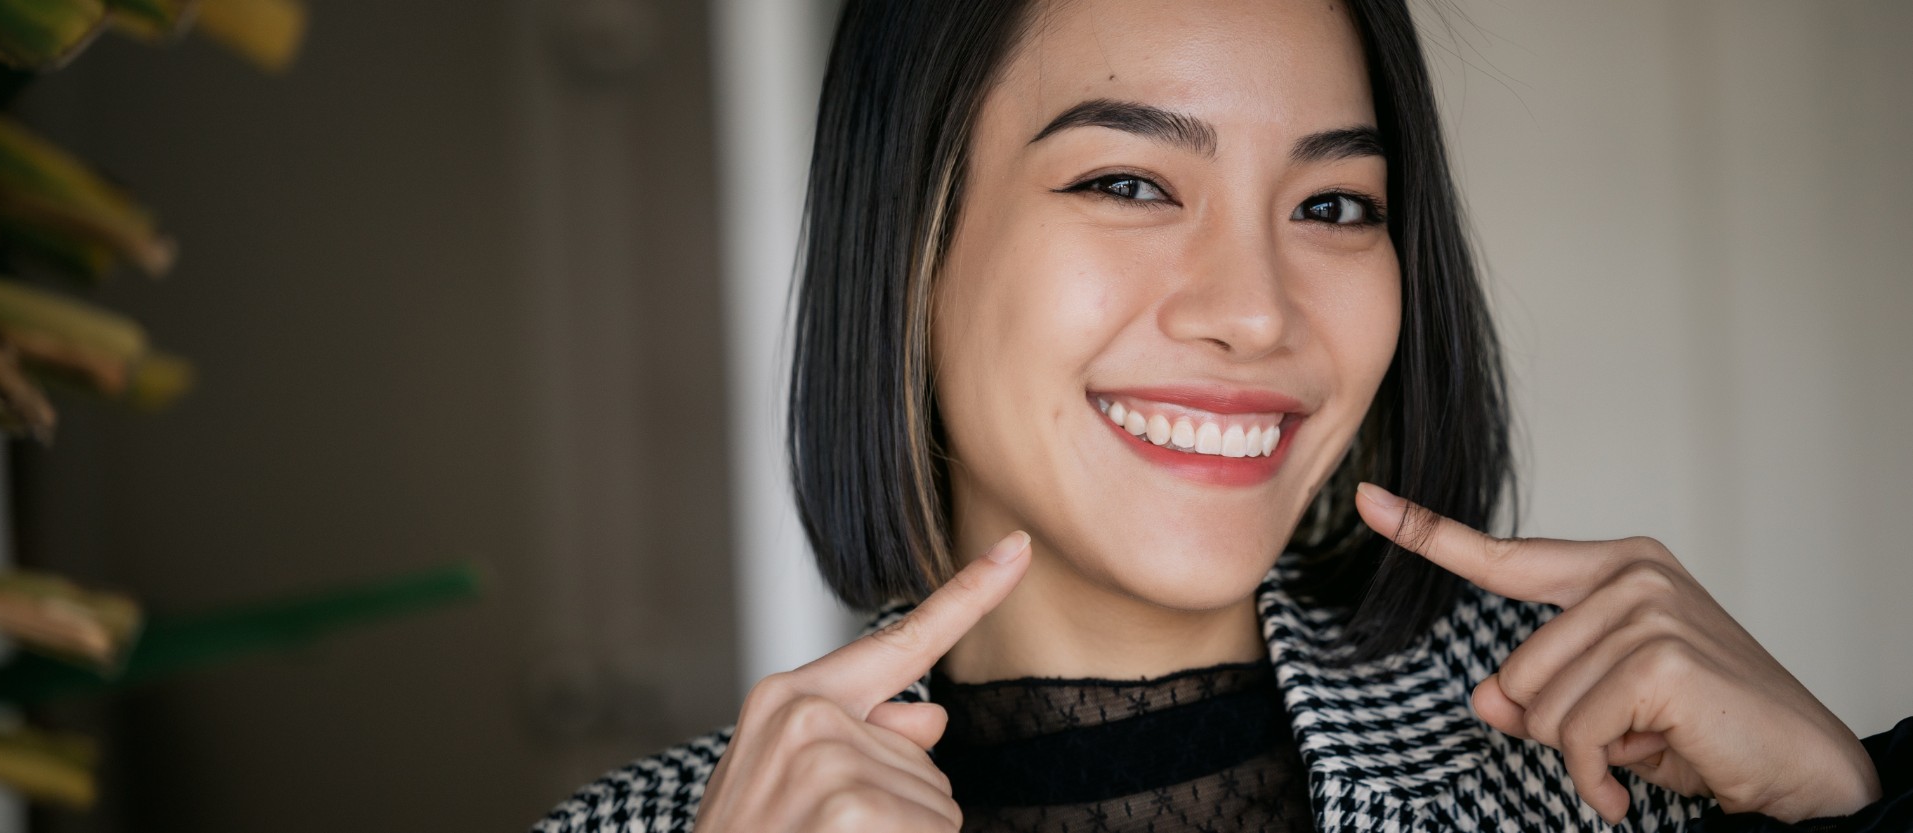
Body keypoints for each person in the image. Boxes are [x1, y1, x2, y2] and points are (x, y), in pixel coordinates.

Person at [534, 0, 1911, 830]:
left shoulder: (1620, 759)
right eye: (1128, 183)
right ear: (907, 241)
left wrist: (1854, 807)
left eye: (1334, 205)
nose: (1255, 312)